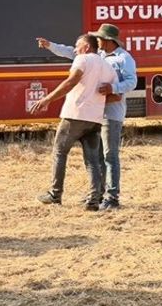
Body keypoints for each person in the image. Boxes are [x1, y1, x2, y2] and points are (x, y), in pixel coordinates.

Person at [39, 23, 138, 210]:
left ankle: (112, 197)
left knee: (110, 156)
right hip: (95, 113)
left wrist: (113, 88)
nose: (97, 40)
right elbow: (72, 51)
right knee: (96, 158)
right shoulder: (99, 57)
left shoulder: (124, 58)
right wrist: (51, 45)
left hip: (111, 112)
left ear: (109, 41)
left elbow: (131, 82)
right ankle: (97, 195)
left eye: (100, 38)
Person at [30, 35, 115, 209]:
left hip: (75, 115)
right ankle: (93, 200)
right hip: (95, 118)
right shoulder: (108, 66)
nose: (75, 50)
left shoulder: (82, 60)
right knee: (92, 161)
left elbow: (71, 82)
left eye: (77, 46)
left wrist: (47, 99)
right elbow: (115, 94)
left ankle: (55, 194)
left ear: (86, 47)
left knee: (59, 152)